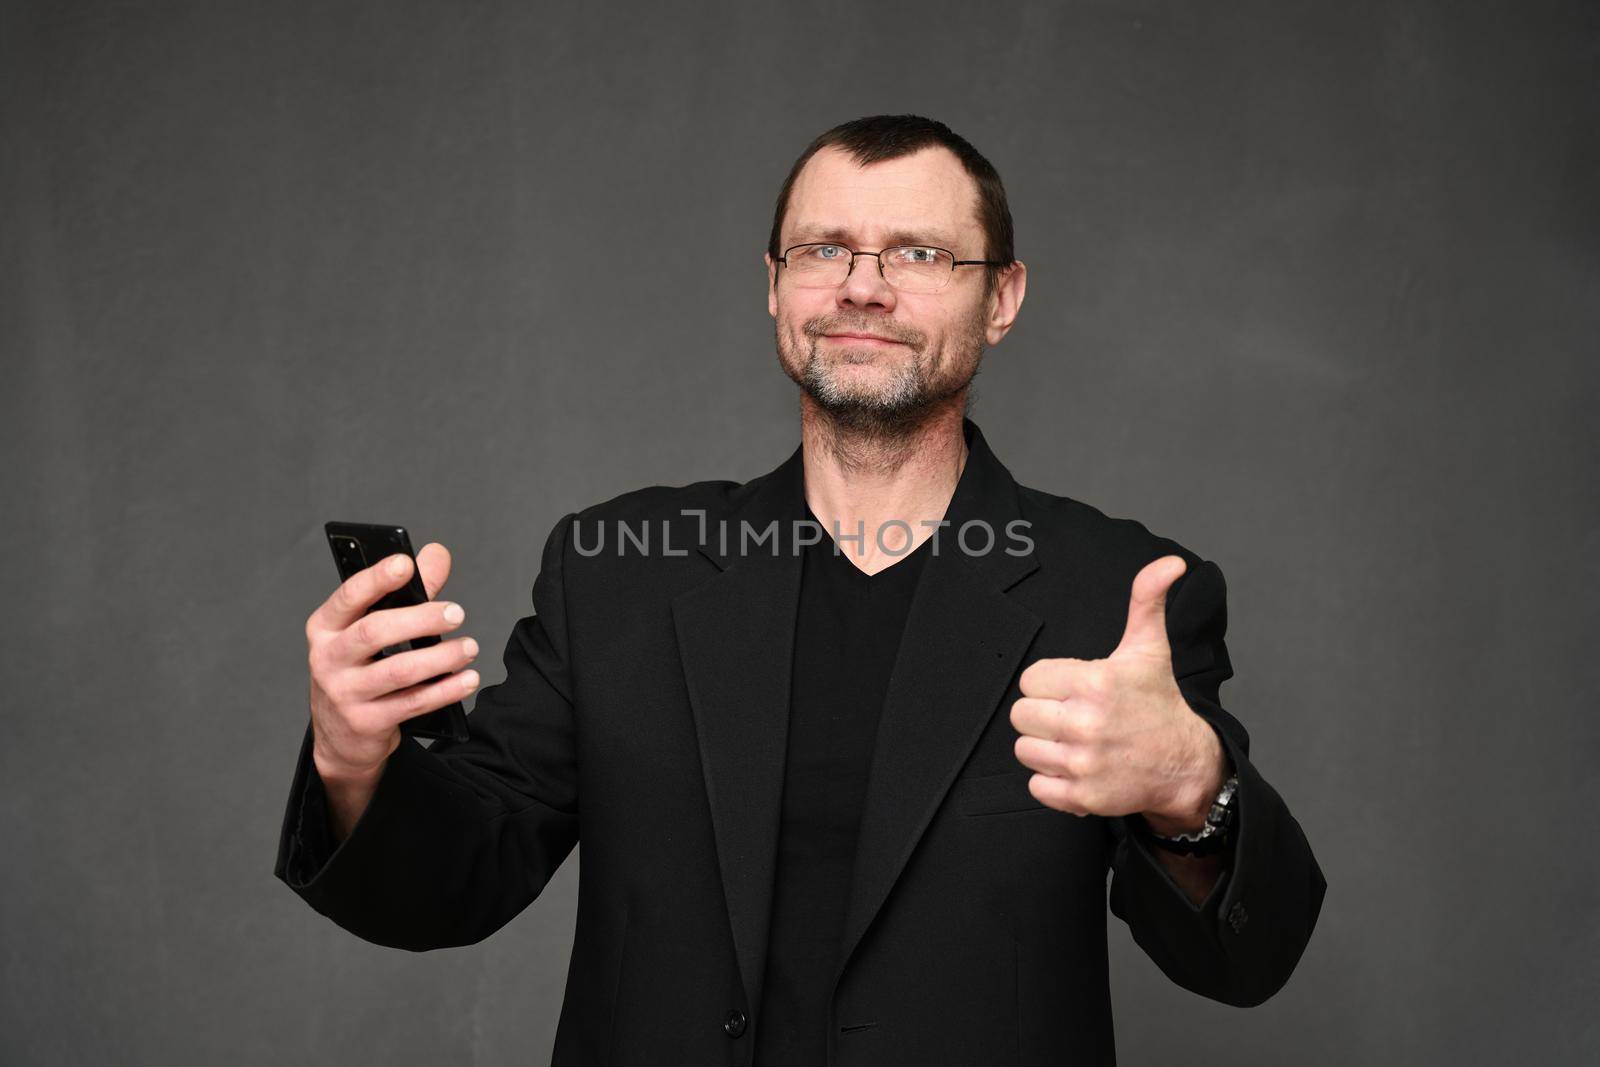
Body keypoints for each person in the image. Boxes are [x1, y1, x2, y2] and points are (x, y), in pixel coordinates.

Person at [275, 114, 1326, 1066]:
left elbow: (1249, 958)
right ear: (775, 283)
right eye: (824, 249)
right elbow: (453, 881)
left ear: (999, 297)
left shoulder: (1118, 593)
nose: (861, 286)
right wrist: (352, 754)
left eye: (917, 252)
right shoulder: (618, 569)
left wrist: (1196, 786)